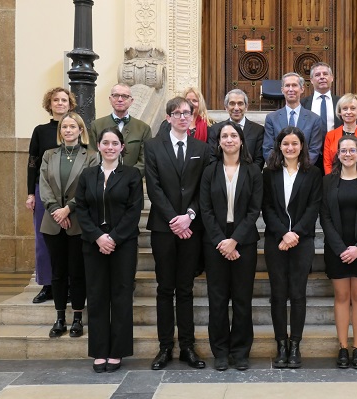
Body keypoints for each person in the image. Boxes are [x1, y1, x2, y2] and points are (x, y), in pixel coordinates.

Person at [146, 97, 210, 371]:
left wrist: (189, 217)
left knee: (185, 289)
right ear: (168, 117)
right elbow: (153, 186)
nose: (183, 117)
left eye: (188, 112)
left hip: (191, 229)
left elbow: (201, 189)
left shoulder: (202, 148)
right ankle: (164, 348)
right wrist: (174, 218)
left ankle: (187, 347)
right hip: (163, 227)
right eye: (178, 113)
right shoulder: (153, 146)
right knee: (164, 289)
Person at [75, 127, 143, 373]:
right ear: (99, 146)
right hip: (93, 245)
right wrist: (98, 237)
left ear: (122, 147)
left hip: (123, 244)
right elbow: (81, 209)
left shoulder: (132, 175)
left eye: (115, 143)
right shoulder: (87, 175)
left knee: (121, 295)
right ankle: (100, 350)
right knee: (96, 296)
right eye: (106, 143)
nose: (110, 147)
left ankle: (117, 351)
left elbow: (133, 211)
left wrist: (112, 237)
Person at [200, 121, 263, 371]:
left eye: (233, 135)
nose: (228, 139)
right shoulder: (209, 171)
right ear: (218, 142)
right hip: (215, 240)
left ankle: (240, 351)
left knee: (241, 299)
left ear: (241, 140)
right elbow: (205, 209)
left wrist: (235, 240)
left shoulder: (253, 171)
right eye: (224, 136)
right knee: (217, 300)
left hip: (243, 241)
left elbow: (254, 210)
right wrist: (221, 241)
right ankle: (221, 352)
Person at [262, 127, 322, 369]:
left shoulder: (313, 173)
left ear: (302, 146)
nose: (290, 148)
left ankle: (295, 344)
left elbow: (313, 206)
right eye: (285, 143)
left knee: (297, 294)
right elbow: (266, 207)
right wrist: (283, 234)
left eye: (294, 143)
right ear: (279, 146)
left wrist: (295, 233)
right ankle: (281, 344)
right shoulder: (269, 174)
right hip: (275, 240)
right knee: (278, 294)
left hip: (302, 240)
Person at [320, 136, 357, 369]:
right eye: (343, 150)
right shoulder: (327, 181)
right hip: (336, 248)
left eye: (351, 150)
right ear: (337, 154)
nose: (347, 154)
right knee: (342, 297)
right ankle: (343, 347)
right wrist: (340, 248)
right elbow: (324, 216)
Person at [39, 112, 98, 339]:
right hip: (53, 223)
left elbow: (89, 186)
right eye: (64, 127)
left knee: (77, 272)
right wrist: (56, 210)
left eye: (73, 126)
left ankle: (77, 318)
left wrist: (68, 209)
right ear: (60, 130)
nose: (68, 130)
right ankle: (60, 318)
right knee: (58, 273)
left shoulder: (91, 156)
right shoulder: (49, 155)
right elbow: (43, 185)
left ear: (80, 130)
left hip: (78, 222)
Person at [26, 87, 76, 304]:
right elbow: (32, 163)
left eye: (64, 100)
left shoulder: (74, 128)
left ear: (70, 104)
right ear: (50, 104)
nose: (60, 103)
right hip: (44, 191)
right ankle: (48, 285)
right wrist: (31, 193)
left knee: (69, 240)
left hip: (70, 195)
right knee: (44, 239)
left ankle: (69, 284)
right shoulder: (41, 131)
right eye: (56, 100)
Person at [89, 83, 152, 177]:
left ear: (131, 101)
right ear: (110, 99)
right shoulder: (96, 126)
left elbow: (145, 159)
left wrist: (129, 177)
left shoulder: (143, 128)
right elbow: (92, 156)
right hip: (102, 181)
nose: (120, 99)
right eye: (116, 95)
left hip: (131, 183)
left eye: (125, 96)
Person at [263, 72, 322, 165]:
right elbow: (268, 148)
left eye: (294, 85)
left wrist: (298, 168)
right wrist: (282, 167)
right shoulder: (271, 118)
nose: (291, 89)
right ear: (282, 90)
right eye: (287, 86)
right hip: (279, 170)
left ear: (302, 89)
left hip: (304, 172)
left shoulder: (314, 119)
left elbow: (314, 150)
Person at [207, 89, 265, 170]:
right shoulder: (215, 129)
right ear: (226, 107)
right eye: (232, 104)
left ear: (246, 107)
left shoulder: (258, 130)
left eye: (240, 103)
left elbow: (259, 160)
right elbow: (212, 157)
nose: (236, 108)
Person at [301, 62, 342, 171]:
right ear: (311, 80)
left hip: (336, 155)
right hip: (310, 156)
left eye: (325, 74)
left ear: (332, 78)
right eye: (317, 75)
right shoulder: (303, 104)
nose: (322, 77)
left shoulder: (341, 103)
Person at [323, 93, 357, 175]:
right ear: (340, 112)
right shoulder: (330, 135)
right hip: (334, 182)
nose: (349, 112)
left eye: (353, 108)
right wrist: (332, 181)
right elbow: (327, 163)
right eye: (345, 108)